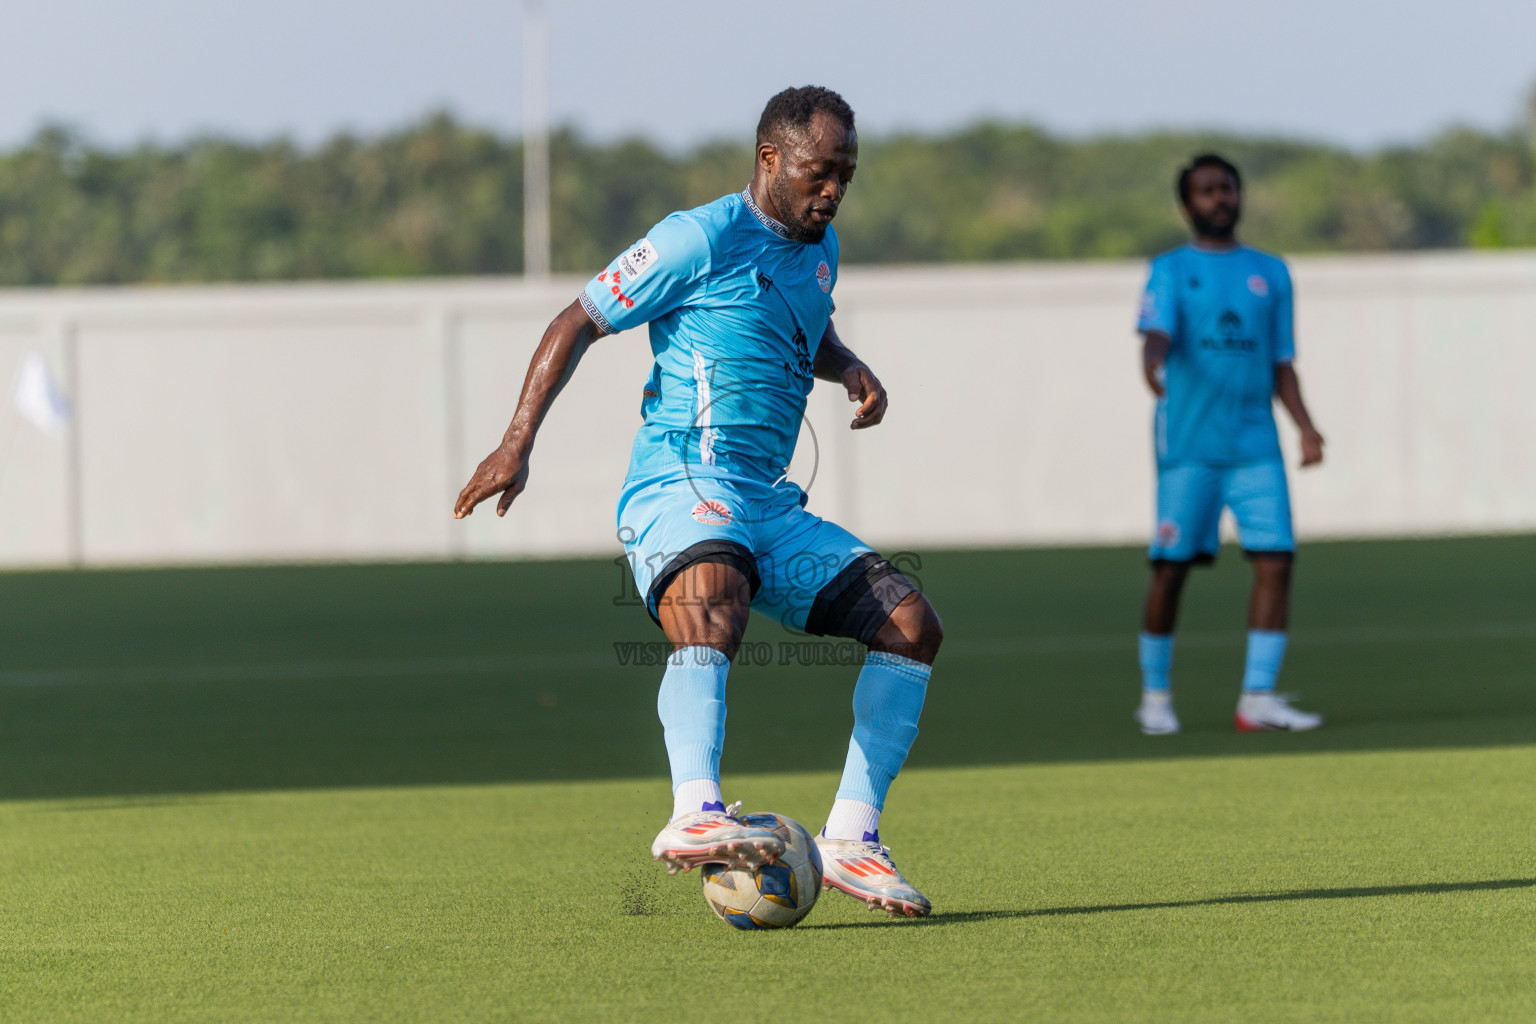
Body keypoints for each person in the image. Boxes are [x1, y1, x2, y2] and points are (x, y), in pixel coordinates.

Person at [453, 86, 941, 918]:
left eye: (847, 177)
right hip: (681, 481)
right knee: (715, 598)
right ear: (770, 159)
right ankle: (694, 813)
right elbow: (578, 319)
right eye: (821, 173)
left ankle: (852, 840)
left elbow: (803, 324)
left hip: (767, 501)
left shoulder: (821, 247)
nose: (834, 192)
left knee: (909, 624)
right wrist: (515, 442)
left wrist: (848, 365)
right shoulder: (698, 237)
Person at [1134, 153, 1326, 735]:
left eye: (1228, 188)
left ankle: (1257, 699)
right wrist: (1153, 363)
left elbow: (1282, 363)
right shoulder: (1170, 270)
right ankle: (1156, 698)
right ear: (1187, 203)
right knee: (1171, 570)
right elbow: (1156, 336)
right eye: (1207, 190)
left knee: (1276, 561)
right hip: (1189, 448)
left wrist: (1306, 426)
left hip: (1256, 448)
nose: (1220, 199)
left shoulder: (1272, 272)